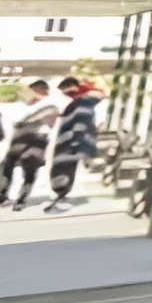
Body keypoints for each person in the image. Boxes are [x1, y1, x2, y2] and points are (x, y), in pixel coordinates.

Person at [0, 81, 57, 210]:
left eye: (35, 90)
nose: (32, 93)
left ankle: (21, 199)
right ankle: (3, 195)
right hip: (19, 140)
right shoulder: (27, 104)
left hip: (37, 140)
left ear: (43, 90)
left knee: (29, 170)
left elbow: (50, 124)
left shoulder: (50, 104)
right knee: (7, 166)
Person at [44, 77, 102, 214]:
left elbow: (80, 123)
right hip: (70, 141)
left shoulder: (83, 101)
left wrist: (75, 141)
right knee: (64, 168)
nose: (65, 93)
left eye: (65, 89)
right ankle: (61, 196)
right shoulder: (80, 101)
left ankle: (61, 198)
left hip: (71, 142)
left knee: (64, 168)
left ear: (74, 86)